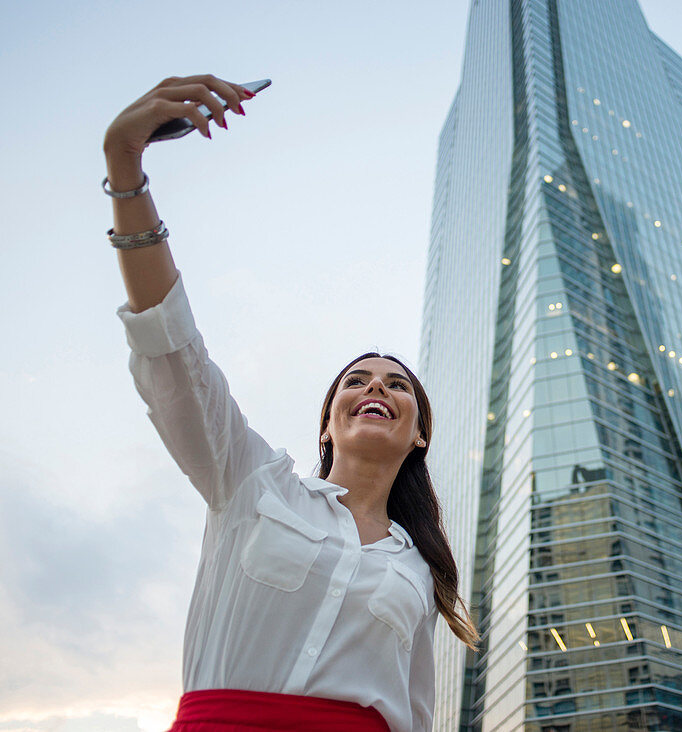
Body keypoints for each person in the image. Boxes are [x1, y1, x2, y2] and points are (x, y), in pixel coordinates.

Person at [103, 74, 478, 732]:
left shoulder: (416, 572)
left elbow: (417, 715)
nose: (376, 388)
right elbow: (173, 351)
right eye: (357, 380)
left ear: (420, 434)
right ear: (329, 419)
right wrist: (124, 166)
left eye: (397, 385)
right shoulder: (251, 484)